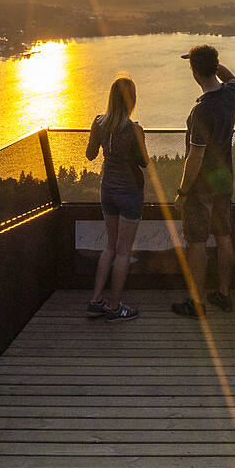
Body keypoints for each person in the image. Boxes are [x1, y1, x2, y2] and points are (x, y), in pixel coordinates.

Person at [172, 44, 235, 316]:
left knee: (197, 241)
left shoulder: (201, 111)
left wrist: (182, 191)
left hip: (200, 188)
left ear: (194, 72)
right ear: (216, 66)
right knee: (224, 237)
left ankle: (196, 302)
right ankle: (224, 294)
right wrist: (212, 63)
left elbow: (195, 159)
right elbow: (230, 76)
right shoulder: (232, 94)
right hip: (224, 181)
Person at [85, 76, 154, 320]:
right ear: (131, 100)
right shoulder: (134, 129)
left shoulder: (98, 123)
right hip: (130, 193)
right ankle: (114, 307)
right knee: (124, 252)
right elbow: (144, 162)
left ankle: (95, 301)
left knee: (110, 247)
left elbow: (90, 154)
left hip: (108, 191)